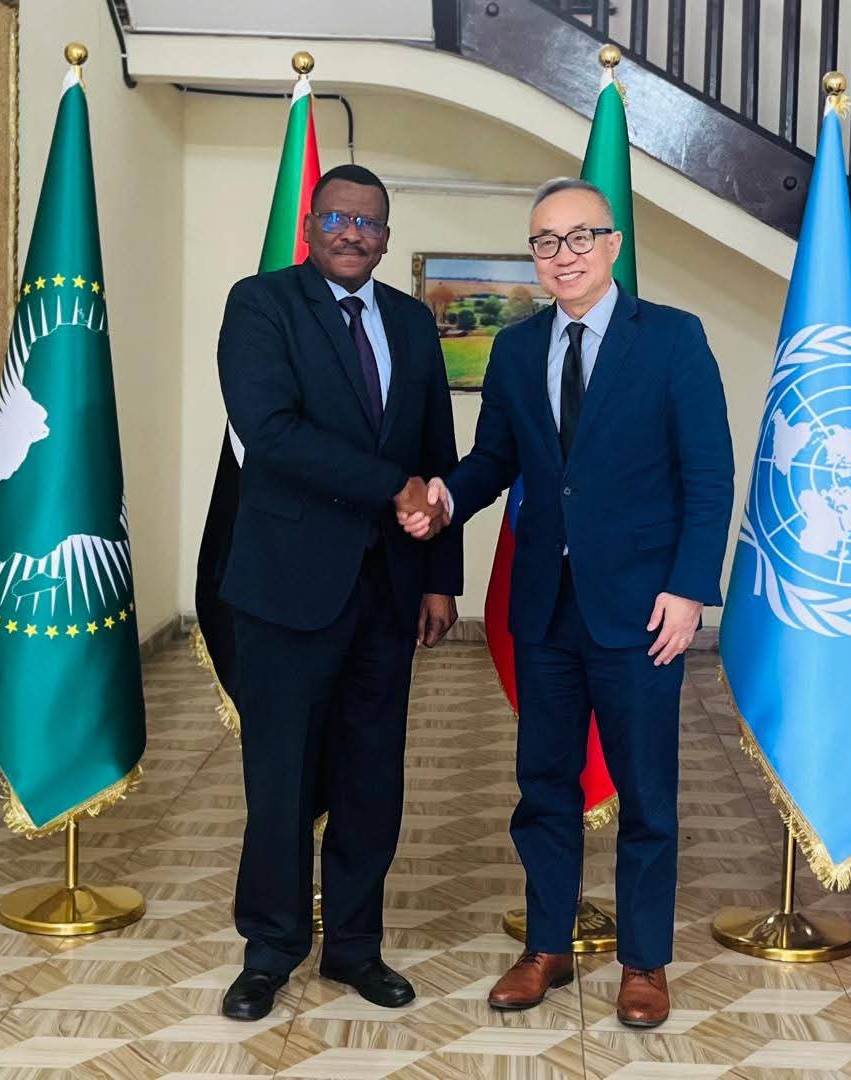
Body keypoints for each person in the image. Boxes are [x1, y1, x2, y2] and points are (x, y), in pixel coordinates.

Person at [400, 178, 734, 1027]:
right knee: (544, 786)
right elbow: (494, 461)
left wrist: (690, 590)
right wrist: (445, 495)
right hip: (545, 609)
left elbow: (709, 476)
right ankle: (546, 947)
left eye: (580, 236)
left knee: (647, 795)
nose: (563, 254)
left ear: (612, 244)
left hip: (643, 611)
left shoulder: (673, 339)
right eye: (546, 242)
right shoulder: (517, 349)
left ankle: (644, 963)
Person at [217, 164, 462, 1021]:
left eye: (369, 222)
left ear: (387, 237)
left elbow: (436, 451)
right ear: (311, 227)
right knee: (280, 777)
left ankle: (355, 947)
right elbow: (270, 432)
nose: (353, 233)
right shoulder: (261, 305)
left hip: (389, 594)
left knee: (371, 777)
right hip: (286, 588)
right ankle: (270, 950)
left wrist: (440, 580)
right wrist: (391, 486)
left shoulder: (411, 321)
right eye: (337, 218)